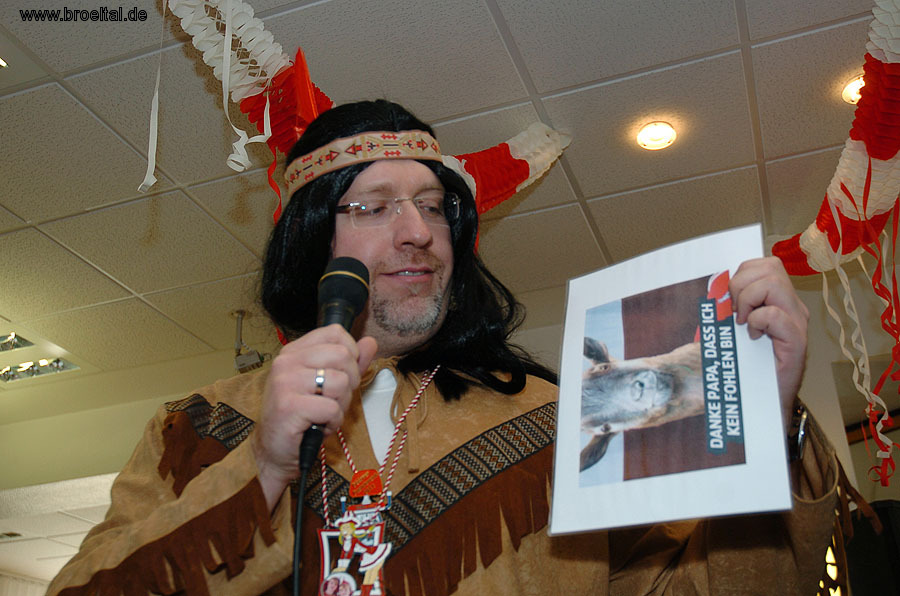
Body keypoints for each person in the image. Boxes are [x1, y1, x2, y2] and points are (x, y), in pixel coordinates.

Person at [47, 100, 845, 596]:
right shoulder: (196, 427)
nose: (419, 232)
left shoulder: (560, 421)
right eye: (375, 206)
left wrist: (767, 426)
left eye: (433, 206)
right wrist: (260, 469)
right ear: (311, 241)